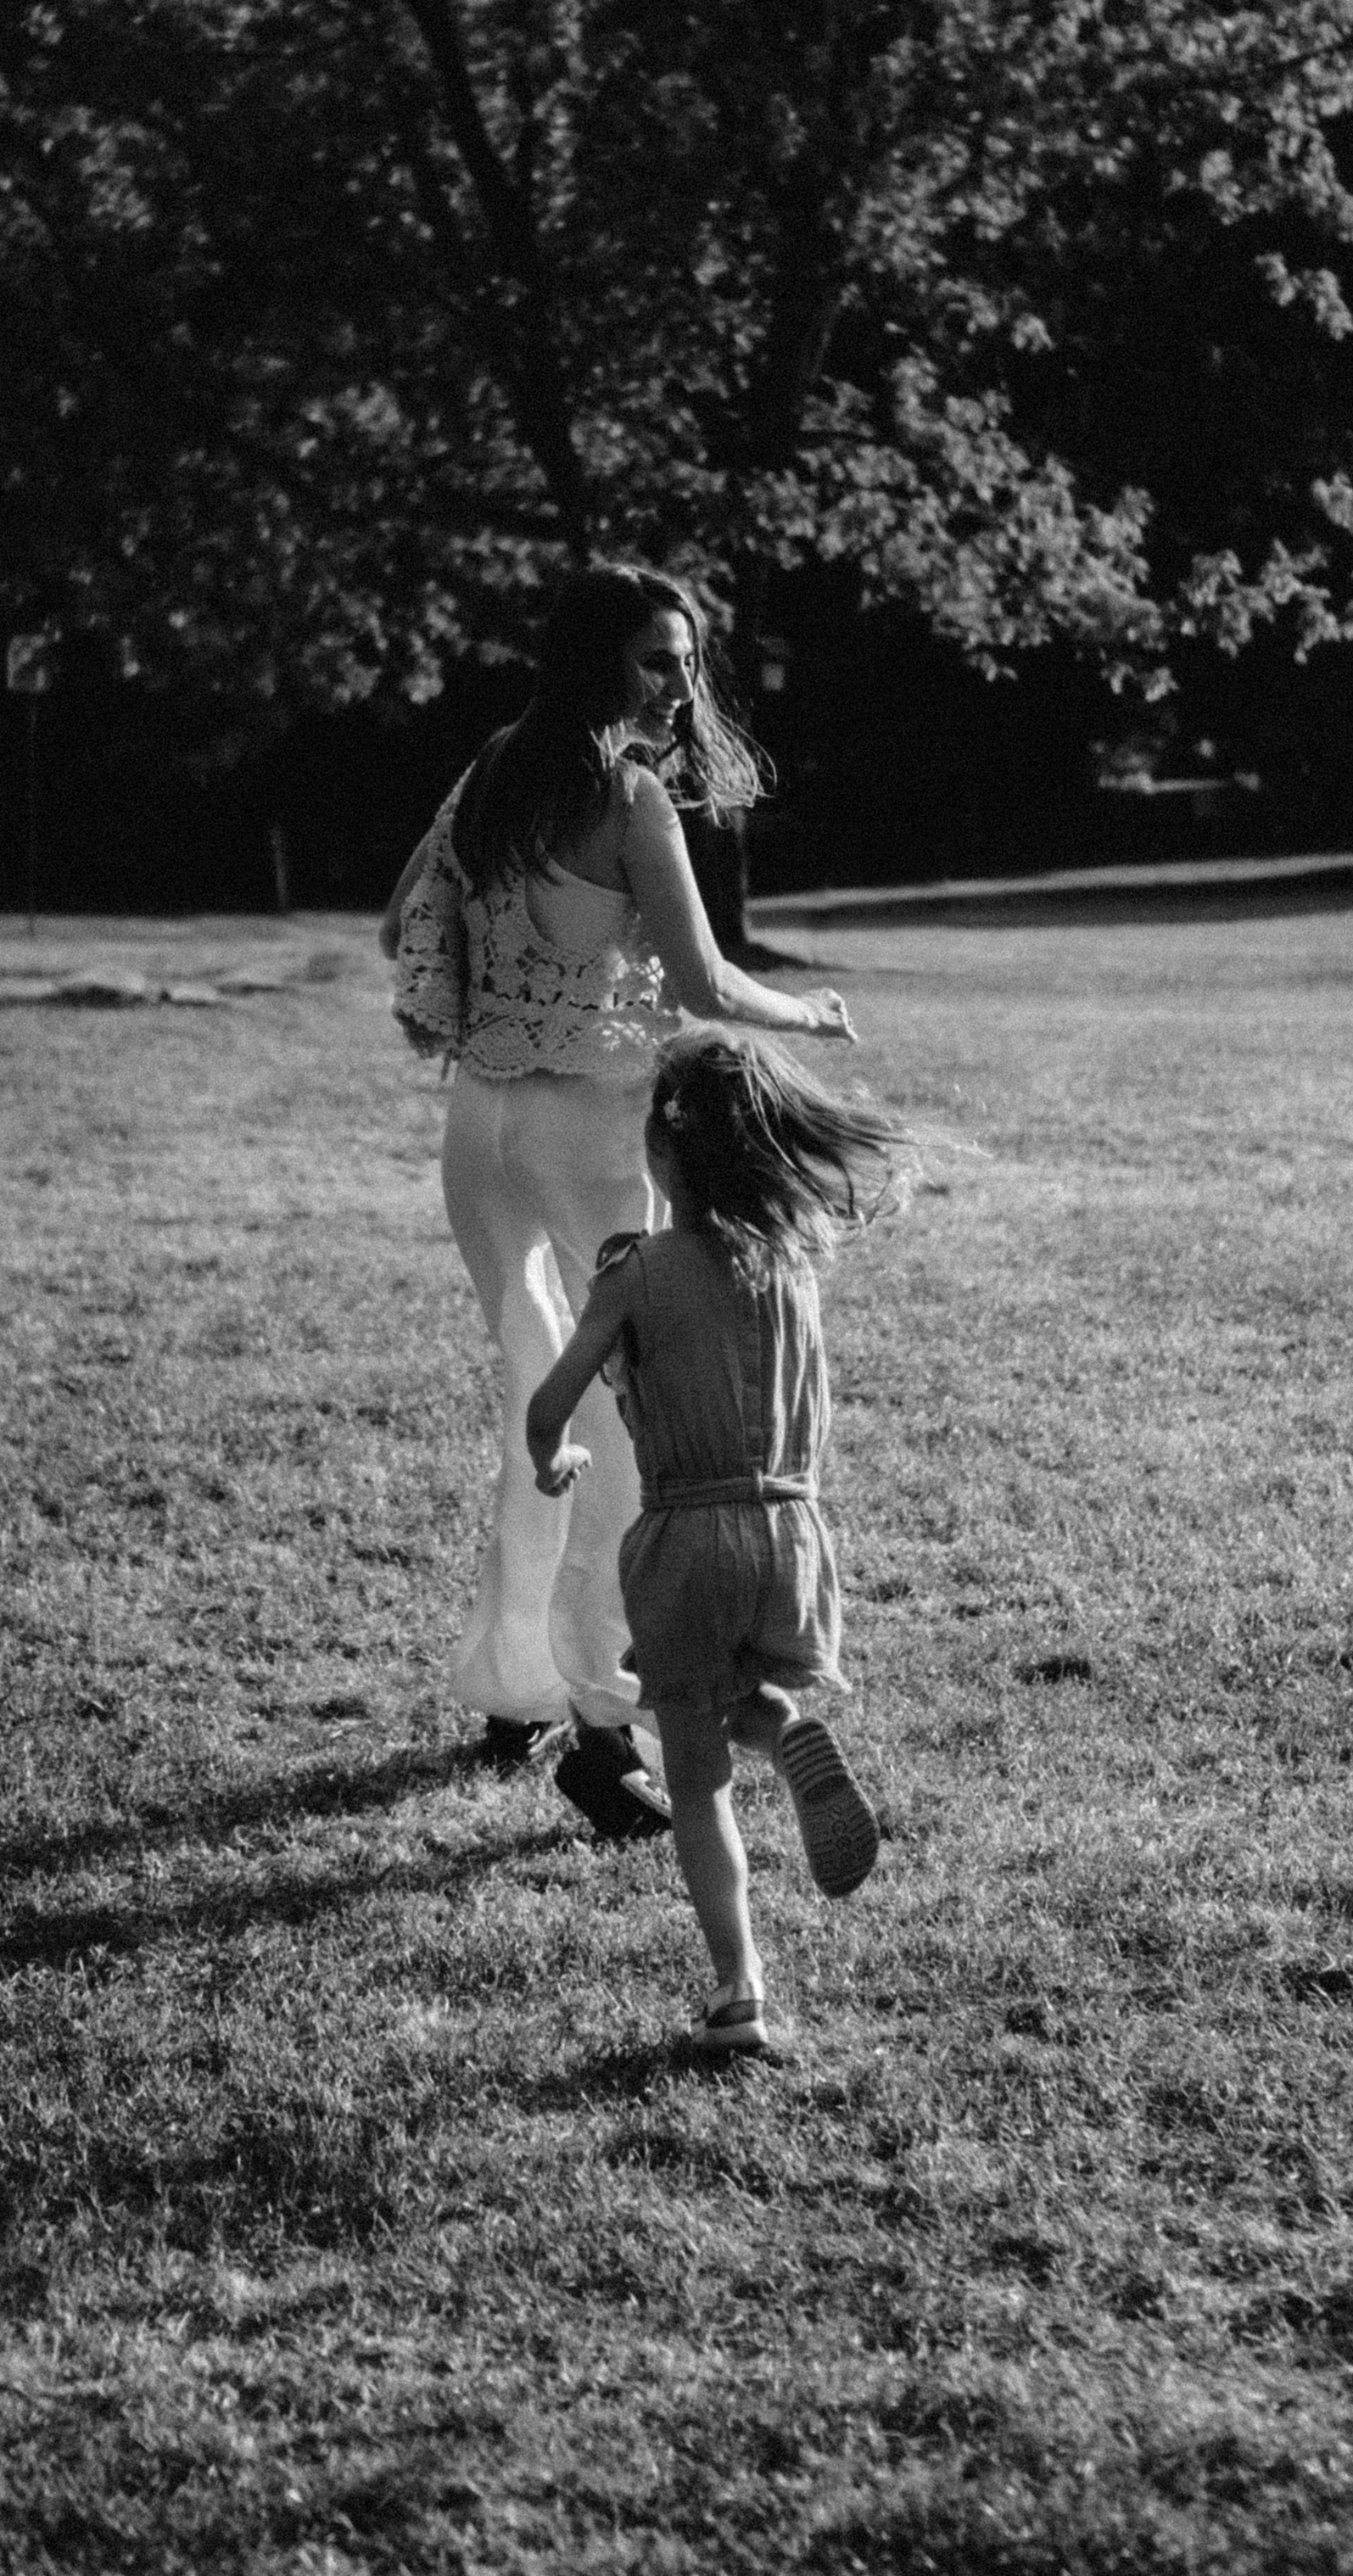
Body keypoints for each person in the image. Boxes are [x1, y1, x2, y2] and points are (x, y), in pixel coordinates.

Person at [378, 565, 854, 1843]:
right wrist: (808, 1012)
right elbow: (704, 984)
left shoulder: (492, 772)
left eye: (685, 658)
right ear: (594, 664)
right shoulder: (629, 796)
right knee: (624, 1435)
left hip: (481, 1125)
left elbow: (399, 924)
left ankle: (513, 1686)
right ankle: (602, 1727)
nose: (680, 681)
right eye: (655, 660)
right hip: (589, 1129)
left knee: (537, 1400)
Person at [525, 1028, 912, 2057]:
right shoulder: (793, 1265)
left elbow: (553, 1400)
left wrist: (551, 1458)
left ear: (661, 1153)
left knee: (694, 1783)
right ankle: (783, 1734)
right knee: (739, 1699)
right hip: (792, 1532)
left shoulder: (635, 1274)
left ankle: (740, 1989)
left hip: (684, 1537)